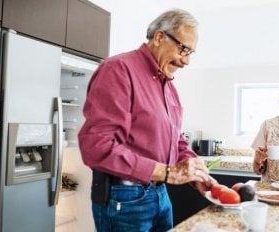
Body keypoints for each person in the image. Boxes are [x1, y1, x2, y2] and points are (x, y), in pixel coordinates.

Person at [78, 9, 214, 232]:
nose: (187, 61)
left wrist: (195, 172)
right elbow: (97, 146)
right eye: (184, 49)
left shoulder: (168, 85)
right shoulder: (118, 69)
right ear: (160, 37)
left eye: (191, 52)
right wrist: (168, 172)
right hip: (125, 197)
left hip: (160, 194)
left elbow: (174, 137)